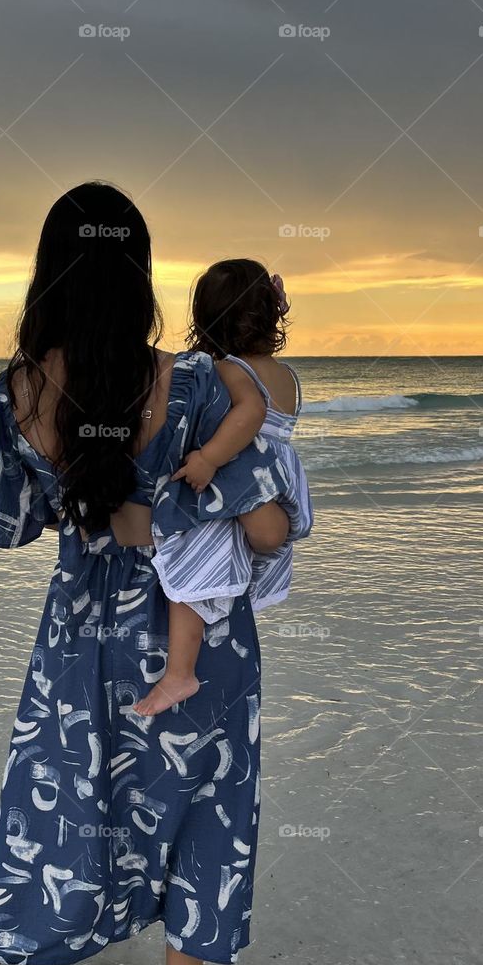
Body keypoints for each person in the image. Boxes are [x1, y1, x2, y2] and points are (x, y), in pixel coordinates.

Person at [0, 184, 306, 965]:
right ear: (139, 274)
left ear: (50, 272)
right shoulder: (200, 382)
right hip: (194, 626)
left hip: (81, 626)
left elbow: (18, 525)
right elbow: (256, 520)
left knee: (46, 797)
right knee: (208, 806)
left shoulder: (17, 386)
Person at [135, 259, 313, 716]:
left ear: (205, 317)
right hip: (275, 480)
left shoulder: (226, 367)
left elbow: (249, 413)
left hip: (239, 473)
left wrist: (208, 457)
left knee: (192, 556)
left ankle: (180, 674)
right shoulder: (286, 374)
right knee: (239, 551)